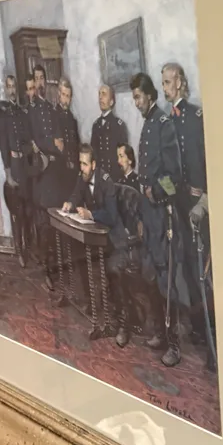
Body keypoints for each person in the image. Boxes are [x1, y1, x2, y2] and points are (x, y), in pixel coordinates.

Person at [130, 71, 182, 367]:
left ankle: (174, 344)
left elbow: (175, 177)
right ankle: (161, 334)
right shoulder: (149, 124)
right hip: (148, 216)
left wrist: (155, 192)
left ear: (149, 95)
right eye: (134, 97)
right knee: (150, 275)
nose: (135, 102)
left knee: (166, 280)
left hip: (163, 216)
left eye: (138, 97)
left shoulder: (163, 124)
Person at [63, 144, 137, 346]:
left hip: (115, 239)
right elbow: (76, 194)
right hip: (97, 236)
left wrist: (91, 214)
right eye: (80, 163)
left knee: (113, 269)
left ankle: (122, 325)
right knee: (79, 255)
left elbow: (112, 216)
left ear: (94, 165)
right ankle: (94, 306)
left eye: (85, 164)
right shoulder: (82, 177)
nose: (82, 168)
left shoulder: (106, 182)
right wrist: (70, 203)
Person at [161, 62, 212, 350]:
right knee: (186, 267)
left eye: (168, 82)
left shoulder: (195, 117)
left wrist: (203, 197)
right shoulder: (167, 120)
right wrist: (170, 197)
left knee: (201, 269)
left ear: (179, 83)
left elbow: (208, 160)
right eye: (163, 83)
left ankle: (212, 328)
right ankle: (198, 329)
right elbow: (166, 169)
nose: (165, 88)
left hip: (197, 206)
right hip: (179, 206)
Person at [27, 64, 71, 288]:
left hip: (56, 173)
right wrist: (51, 144)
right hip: (42, 174)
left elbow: (60, 141)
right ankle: (46, 270)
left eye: (42, 78)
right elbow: (35, 141)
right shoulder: (31, 111)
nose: (40, 82)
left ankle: (60, 269)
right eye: (36, 79)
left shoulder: (52, 110)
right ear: (34, 84)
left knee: (57, 224)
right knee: (44, 225)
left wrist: (53, 144)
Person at [0, 74, 33, 266]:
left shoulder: (22, 114)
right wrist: (8, 173)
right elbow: (4, 146)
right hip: (13, 167)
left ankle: (28, 247)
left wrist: (26, 151)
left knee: (27, 211)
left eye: (13, 87)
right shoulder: (4, 116)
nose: (11, 90)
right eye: (9, 87)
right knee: (17, 212)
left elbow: (28, 141)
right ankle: (20, 250)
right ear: (6, 89)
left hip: (24, 167)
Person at [90, 84, 128, 183]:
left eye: (104, 94)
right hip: (99, 178)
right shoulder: (96, 125)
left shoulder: (119, 125)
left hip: (114, 178)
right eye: (99, 94)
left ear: (111, 101)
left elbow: (124, 155)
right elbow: (93, 153)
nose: (100, 97)